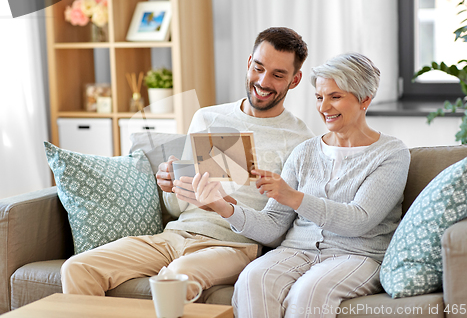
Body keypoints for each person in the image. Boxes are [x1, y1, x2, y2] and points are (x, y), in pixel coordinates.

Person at [60, 27, 315, 298]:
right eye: (259, 68)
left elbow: (277, 230)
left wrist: (225, 206)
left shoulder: (301, 141)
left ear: (295, 80)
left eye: (278, 75)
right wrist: (171, 185)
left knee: (174, 279)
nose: (263, 81)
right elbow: (177, 206)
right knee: (78, 267)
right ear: (249, 62)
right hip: (175, 235)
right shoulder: (207, 118)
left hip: (235, 246)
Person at [181, 53, 411, 317]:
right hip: (296, 251)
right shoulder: (304, 152)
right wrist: (224, 207)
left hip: (357, 256)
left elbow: (359, 220)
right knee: (251, 279)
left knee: (310, 292)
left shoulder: (391, 153)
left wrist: (293, 196)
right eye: (319, 97)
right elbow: (273, 225)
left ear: (365, 100)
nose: (324, 107)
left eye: (335, 97)